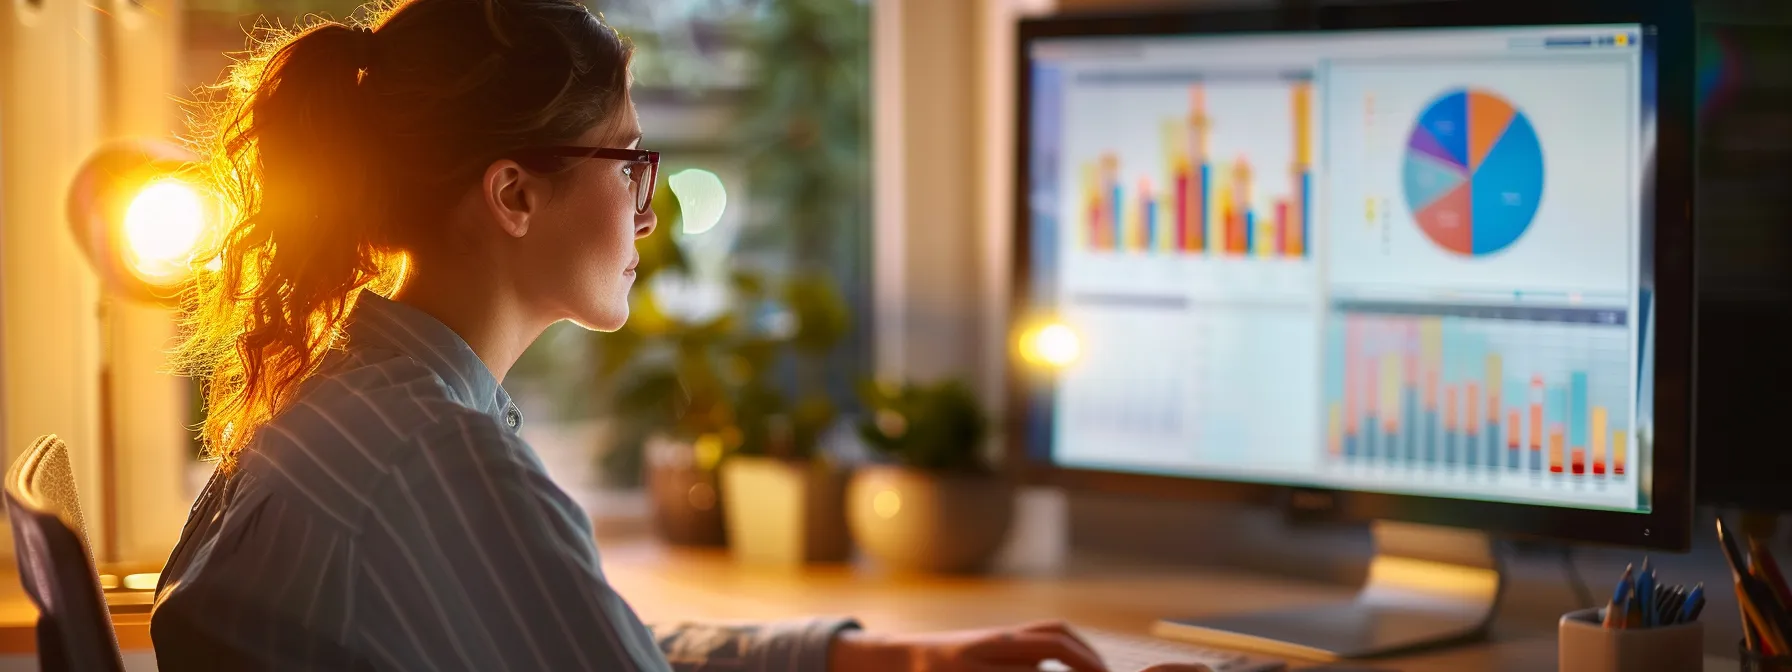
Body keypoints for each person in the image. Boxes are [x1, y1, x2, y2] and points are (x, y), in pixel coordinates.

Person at [150, 0, 1211, 670]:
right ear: (514, 192)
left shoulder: (356, 399)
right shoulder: (439, 454)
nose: (645, 210)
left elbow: (589, 643)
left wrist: (896, 661)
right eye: (626, 162)